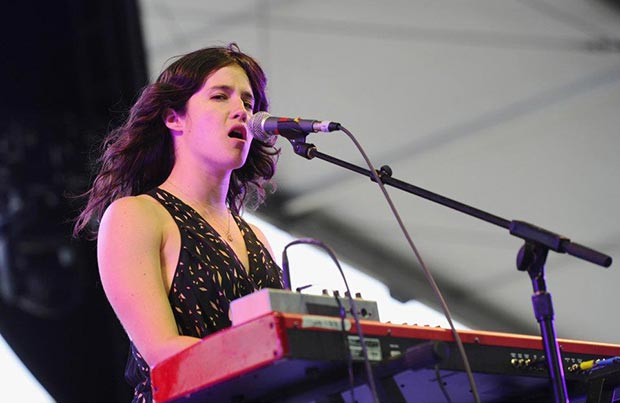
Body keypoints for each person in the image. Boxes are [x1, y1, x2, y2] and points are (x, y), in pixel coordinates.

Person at [73, 43, 284, 403]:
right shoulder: (136, 216)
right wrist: (281, 354)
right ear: (174, 118)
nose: (242, 113)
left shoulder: (256, 238)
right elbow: (165, 352)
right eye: (220, 97)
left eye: (248, 103)